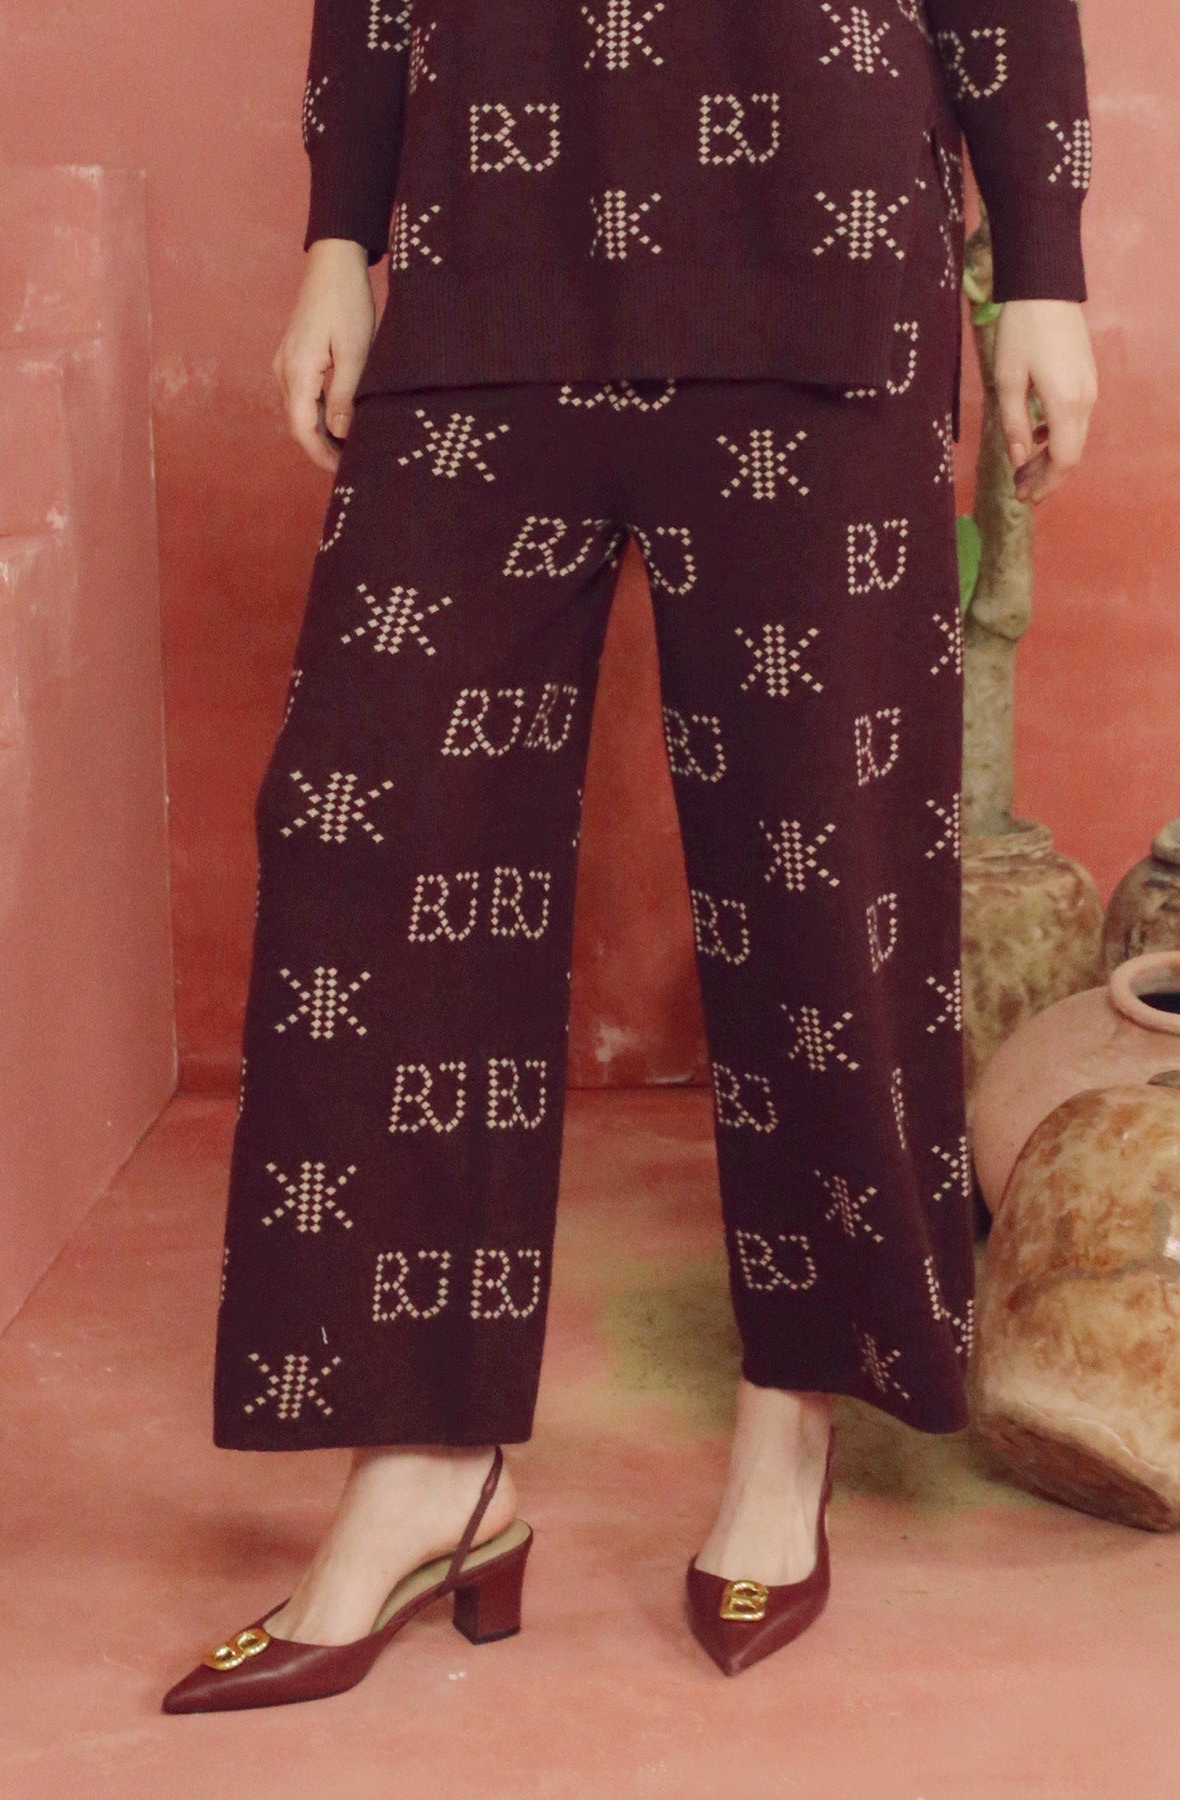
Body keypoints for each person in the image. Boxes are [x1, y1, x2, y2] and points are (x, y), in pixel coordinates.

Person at [162, 0, 1098, 1711]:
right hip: (489, 245)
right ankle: (426, 1469)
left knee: (823, 865)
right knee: (368, 829)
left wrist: (1041, 262)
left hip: (819, 242)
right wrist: (338, 235)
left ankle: (789, 1416)